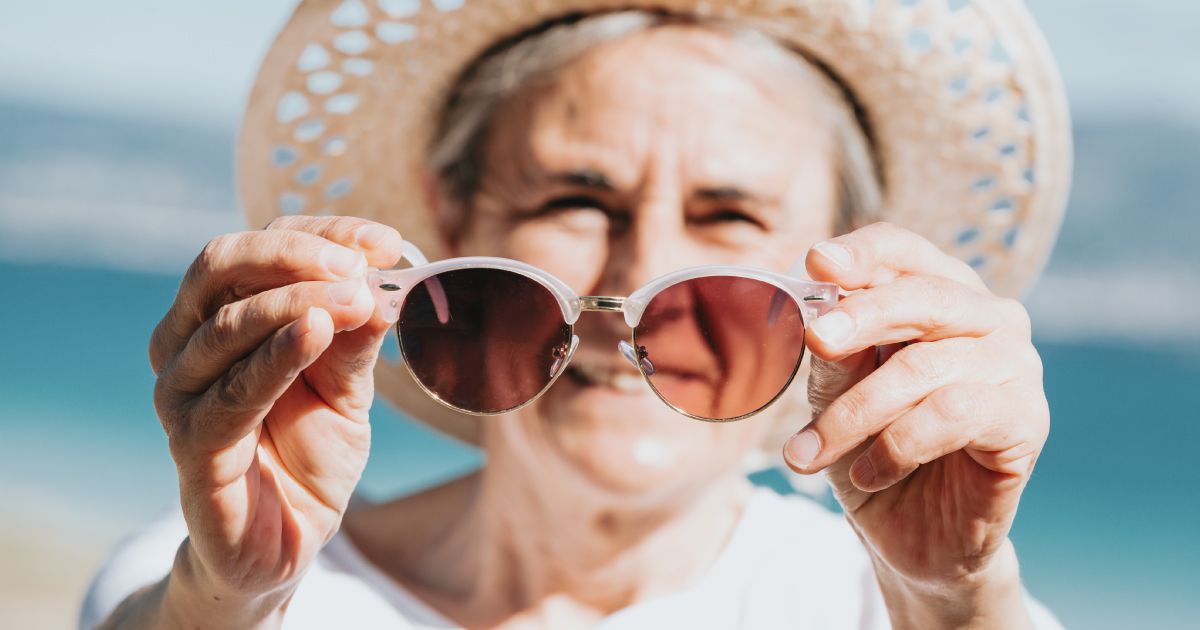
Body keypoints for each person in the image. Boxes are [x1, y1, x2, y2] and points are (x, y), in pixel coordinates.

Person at [81, 0, 1072, 627]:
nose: (641, 276)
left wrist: (954, 601)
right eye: (575, 199)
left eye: (729, 214)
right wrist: (229, 598)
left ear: (841, 265)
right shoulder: (231, 590)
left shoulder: (884, 607)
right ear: (453, 216)